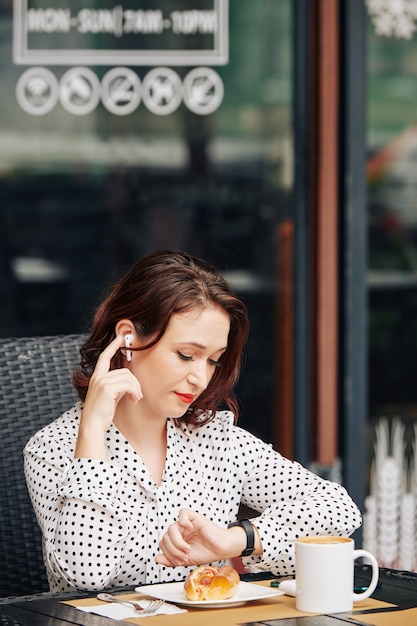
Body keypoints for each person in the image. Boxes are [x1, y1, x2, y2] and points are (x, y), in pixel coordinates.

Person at [24, 249, 361, 593]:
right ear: (127, 339)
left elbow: (338, 511)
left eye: (213, 361)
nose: (200, 378)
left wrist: (234, 541)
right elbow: (83, 575)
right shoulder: (55, 448)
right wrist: (93, 433)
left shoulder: (215, 439)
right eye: (186, 355)